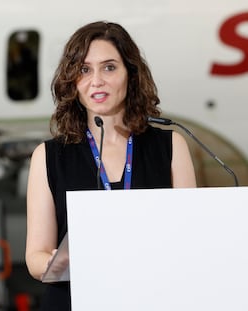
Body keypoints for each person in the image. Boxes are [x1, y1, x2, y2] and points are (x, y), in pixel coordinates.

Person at [25, 21, 196, 310]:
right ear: (72, 81)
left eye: (109, 67)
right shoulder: (48, 155)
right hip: (75, 298)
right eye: (84, 69)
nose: (96, 81)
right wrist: (69, 263)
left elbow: (192, 241)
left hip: (154, 297)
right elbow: (35, 258)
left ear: (131, 73)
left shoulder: (171, 146)